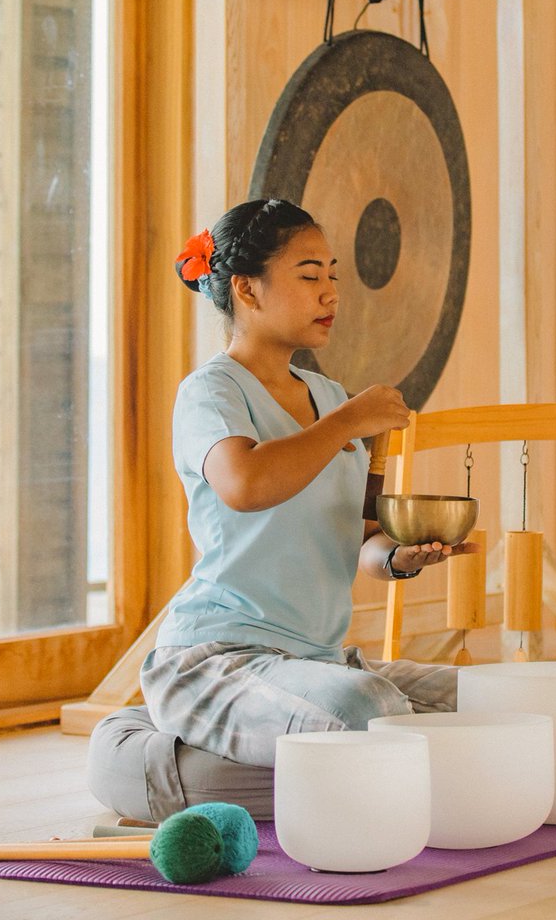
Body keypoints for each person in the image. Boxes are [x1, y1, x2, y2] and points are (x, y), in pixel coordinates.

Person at [140, 197, 472, 768]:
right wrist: (348, 422)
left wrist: (399, 555)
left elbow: (359, 536)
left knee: (486, 698)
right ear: (247, 289)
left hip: (318, 661)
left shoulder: (330, 396)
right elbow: (245, 484)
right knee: (369, 707)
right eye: (310, 275)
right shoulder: (210, 392)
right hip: (217, 660)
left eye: (333, 276)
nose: (331, 293)